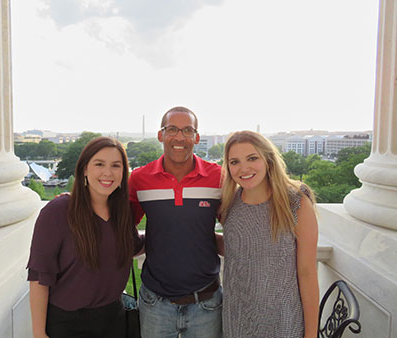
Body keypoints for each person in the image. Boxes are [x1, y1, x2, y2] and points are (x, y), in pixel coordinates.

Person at [27, 137, 143, 338]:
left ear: (123, 173)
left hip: (114, 320)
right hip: (68, 325)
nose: (108, 173)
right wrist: (39, 333)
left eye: (116, 166)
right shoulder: (58, 212)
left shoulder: (122, 212)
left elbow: (134, 246)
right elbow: (39, 277)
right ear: (84, 169)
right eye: (99, 164)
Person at [129, 106, 224, 338]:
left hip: (207, 303)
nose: (180, 137)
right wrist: (76, 200)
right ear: (161, 135)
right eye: (172, 129)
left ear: (197, 137)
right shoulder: (140, 179)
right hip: (155, 304)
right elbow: (117, 223)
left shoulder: (218, 177)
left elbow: (241, 224)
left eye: (187, 130)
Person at [219, 130, 319, 338]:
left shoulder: (295, 202)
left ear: (268, 159)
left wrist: (311, 335)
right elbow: (239, 247)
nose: (244, 168)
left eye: (252, 158)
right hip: (237, 320)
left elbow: (307, 273)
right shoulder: (229, 203)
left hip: (283, 323)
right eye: (234, 162)